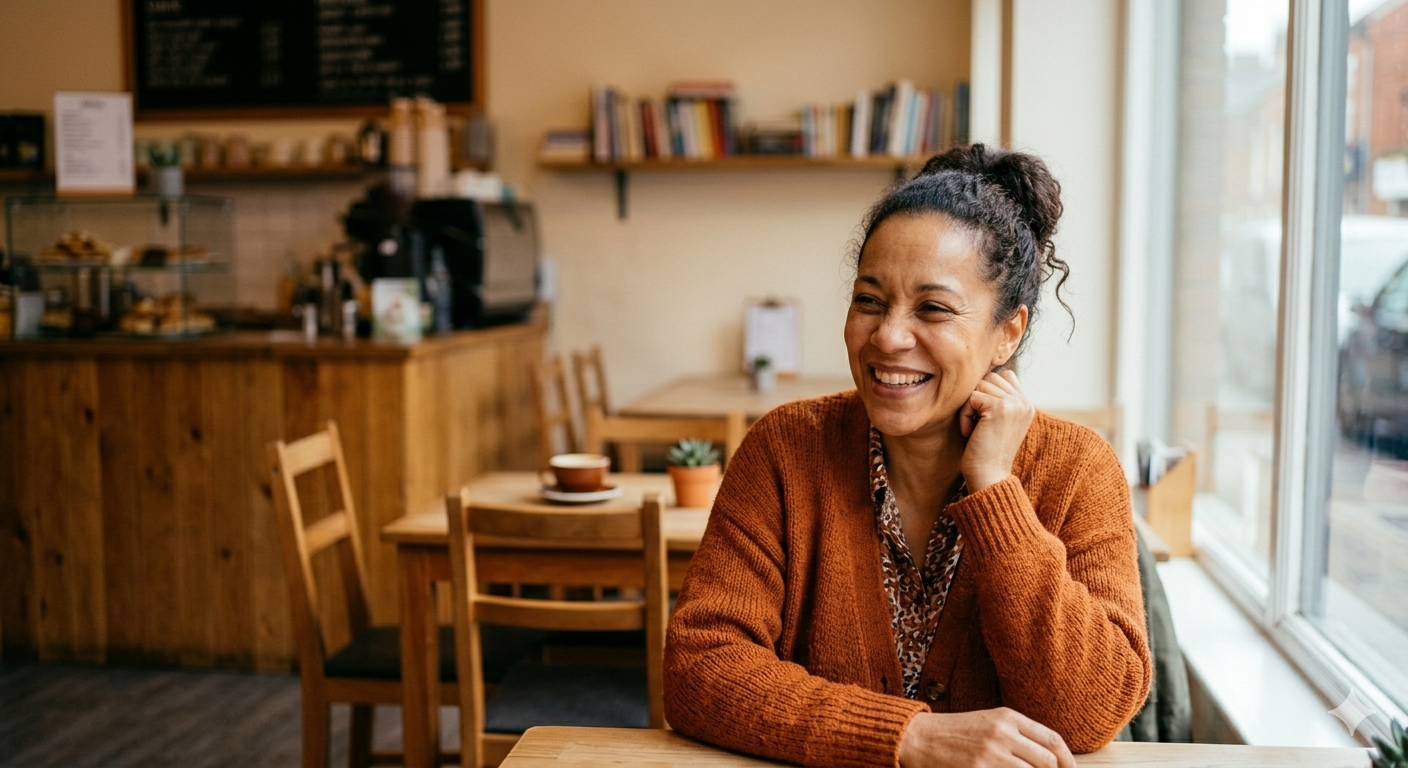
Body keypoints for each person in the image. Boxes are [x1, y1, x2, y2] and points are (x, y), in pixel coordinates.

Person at [663, 144, 1151, 768]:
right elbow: (699, 668)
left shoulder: (1079, 468)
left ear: (1008, 332)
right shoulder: (785, 448)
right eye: (870, 300)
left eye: (933, 309)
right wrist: (907, 737)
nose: (889, 336)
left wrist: (995, 490)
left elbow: (1088, 713)